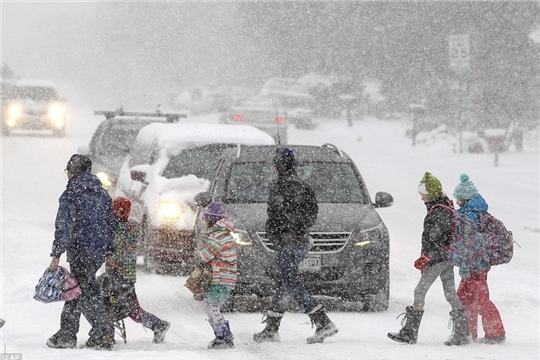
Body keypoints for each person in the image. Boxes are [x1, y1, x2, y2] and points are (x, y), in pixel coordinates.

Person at [253, 146, 338, 344]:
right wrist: (299, 230)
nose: (273, 167)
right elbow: (311, 215)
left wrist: (277, 233)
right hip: (299, 241)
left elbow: (275, 215)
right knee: (282, 283)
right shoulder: (304, 186)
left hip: (286, 242)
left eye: (275, 164)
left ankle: (323, 322)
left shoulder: (280, 187)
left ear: (280, 166)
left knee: (290, 283)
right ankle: (271, 329)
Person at [388, 172, 470, 346]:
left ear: (431, 192)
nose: (421, 198)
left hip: (438, 258)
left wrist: (427, 256)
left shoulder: (439, 210)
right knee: (449, 294)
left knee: (419, 292)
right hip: (446, 257)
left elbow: (435, 236)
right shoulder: (443, 206)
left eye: (422, 194)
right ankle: (462, 333)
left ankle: (410, 332)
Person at [47, 154, 116, 350]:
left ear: (72, 172)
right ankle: (68, 333)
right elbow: (110, 225)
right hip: (98, 251)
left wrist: (56, 254)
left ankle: (101, 333)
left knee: (84, 292)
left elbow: (64, 226)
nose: (67, 174)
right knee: (77, 290)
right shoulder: (102, 194)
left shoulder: (71, 195)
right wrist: (110, 251)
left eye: (67, 171)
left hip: (80, 250)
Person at [106, 196, 170, 343]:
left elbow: (114, 248)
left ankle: (107, 334)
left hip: (116, 273)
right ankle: (156, 324)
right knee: (127, 306)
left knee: (115, 304)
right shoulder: (133, 229)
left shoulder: (114, 229)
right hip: (128, 274)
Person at [453, 174, 506, 344]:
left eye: (459, 198)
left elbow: (471, 245)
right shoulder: (478, 213)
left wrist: (466, 263)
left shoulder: (469, 217)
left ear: (464, 198)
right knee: (465, 298)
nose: (457, 201)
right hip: (477, 265)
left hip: (474, 266)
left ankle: (495, 334)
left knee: (479, 300)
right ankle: (468, 332)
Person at [197, 202, 237, 349]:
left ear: (211, 219)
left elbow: (206, 256)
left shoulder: (216, 236)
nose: (204, 221)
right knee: (209, 306)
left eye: (206, 218)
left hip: (220, 278)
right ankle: (224, 334)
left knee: (212, 307)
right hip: (225, 278)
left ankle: (223, 337)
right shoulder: (224, 234)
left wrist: (199, 254)